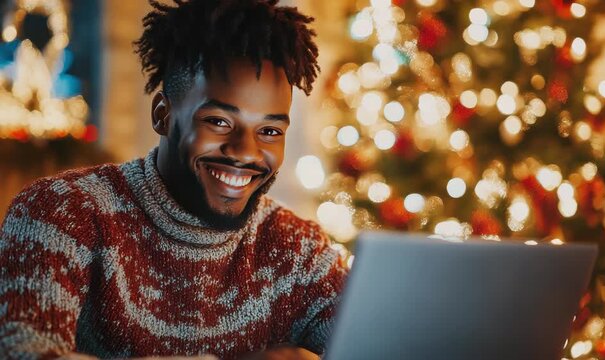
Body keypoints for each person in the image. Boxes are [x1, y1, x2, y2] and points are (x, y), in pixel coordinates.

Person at [0, 0, 348, 359]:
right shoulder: (60, 212)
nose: (246, 151)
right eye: (218, 121)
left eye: (270, 130)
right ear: (163, 115)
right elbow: (23, 353)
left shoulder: (298, 250)